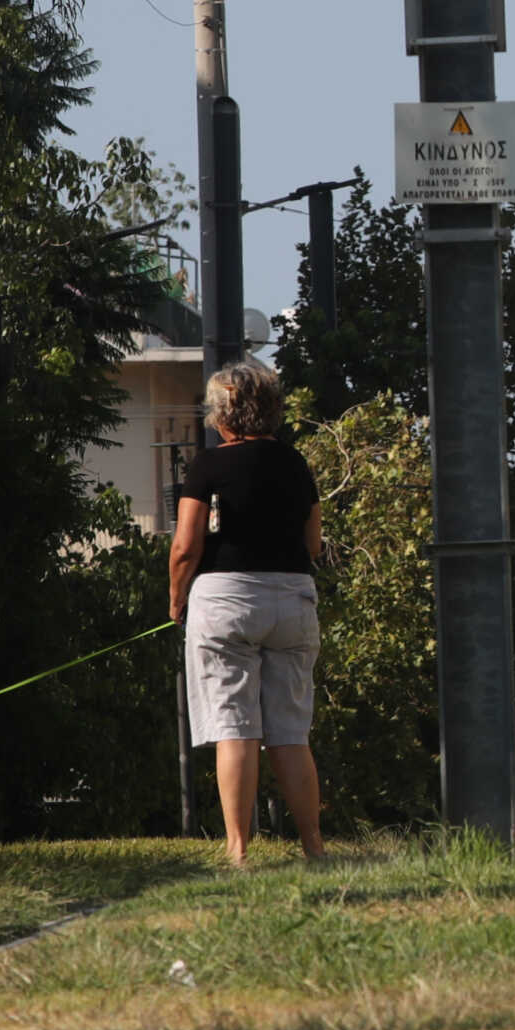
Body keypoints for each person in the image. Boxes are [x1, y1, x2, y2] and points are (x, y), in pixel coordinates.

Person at [168, 361, 325, 865]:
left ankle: (238, 851)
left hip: (225, 601)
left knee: (235, 727)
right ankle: (314, 848)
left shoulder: (208, 466)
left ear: (221, 413)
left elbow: (185, 548)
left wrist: (176, 602)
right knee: (290, 731)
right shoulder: (295, 463)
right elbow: (314, 543)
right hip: (293, 598)